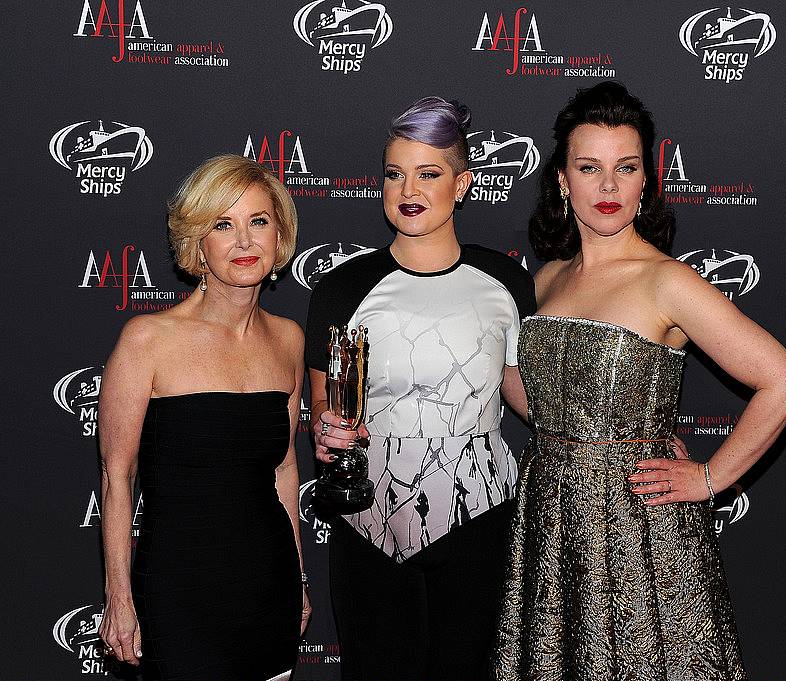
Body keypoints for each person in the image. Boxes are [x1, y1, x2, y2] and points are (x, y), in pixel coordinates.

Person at [493, 82, 786, 680]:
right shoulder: (547, 280)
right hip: (550, 519)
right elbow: (542, 401)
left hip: (637, 529)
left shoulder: (668, 282)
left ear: (646, 180)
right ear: (562, 180)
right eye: (589, 168)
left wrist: (710, 477)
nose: (608, 187)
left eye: (626, 168)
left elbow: (785, 382)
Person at [305, 97, 536, 681]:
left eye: (429, 173)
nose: (408, 189)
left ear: (462, 185)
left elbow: (527, 395)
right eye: (394, 173)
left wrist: (623, 431)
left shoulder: (507, 281)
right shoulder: (341, 287)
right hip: (370, 526)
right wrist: (327, 431)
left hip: (481, 524)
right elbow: (328, 414)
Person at [97, 154, 308, 681]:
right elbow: (116, 476)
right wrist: (118, 597)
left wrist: (299, 576)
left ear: (279, 238)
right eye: (223, 224)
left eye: (258, 222)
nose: (243, 242)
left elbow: (284, 468)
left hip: (268, 586)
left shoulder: (288, 340)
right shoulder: (146, 341)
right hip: (178, 593)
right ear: (197, 242)